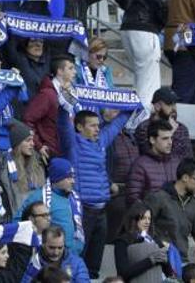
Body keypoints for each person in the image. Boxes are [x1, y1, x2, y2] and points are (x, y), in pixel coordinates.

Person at [60, 107, 136, 276]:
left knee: (94, 266)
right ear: (79, 127)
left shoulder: (100, 142)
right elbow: (63, 124)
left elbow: (116, 125)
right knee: (77, 259)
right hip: (83, 211)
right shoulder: (73, 144)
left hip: (102, 211)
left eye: (98, 125)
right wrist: (64, 106)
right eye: (93, 126)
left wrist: (131, 106)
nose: (97, 129)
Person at [145, 160, 195, 257]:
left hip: (181, 258)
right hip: (160, 257)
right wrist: (159, 244)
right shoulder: (159, 198)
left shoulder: (194, 203)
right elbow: (143, 227)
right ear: (185, 177)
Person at [112, 203, 176, 282]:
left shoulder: (155, 240)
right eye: (143, 218)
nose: (147, 222)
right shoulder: (122, 241)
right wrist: (150, 260)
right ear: (133, 219)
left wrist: (166, 261)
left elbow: (168, 273)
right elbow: (123, 273)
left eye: (149, 218)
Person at [128, 119, 184, 204]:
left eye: (171, 138)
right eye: (165, 138)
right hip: (151, 215)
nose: (170, 142)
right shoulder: (140, 165)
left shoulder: (176, 162)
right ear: (152, 140)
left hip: (174, 215)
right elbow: (133, 198)